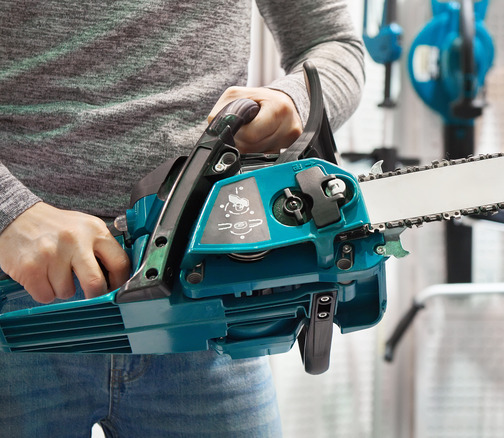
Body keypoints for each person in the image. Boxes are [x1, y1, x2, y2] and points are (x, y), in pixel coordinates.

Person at [0, 0, 364, 436]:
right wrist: (9, 213)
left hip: (209, 296)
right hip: (19, 293)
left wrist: (293, 101)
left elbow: (333, 43)